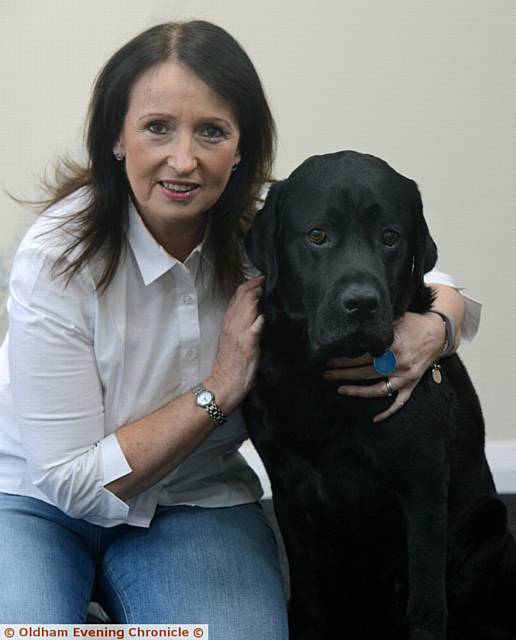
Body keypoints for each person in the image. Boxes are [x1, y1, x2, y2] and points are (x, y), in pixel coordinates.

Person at [0, 20, 479, 633]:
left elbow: (426, 270)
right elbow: (69, 481)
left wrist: (434, 326)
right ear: (116, 138)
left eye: (211, 131)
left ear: (241, 147)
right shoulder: (57, 255)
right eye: (157, 128)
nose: (184, 159)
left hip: (193, 504)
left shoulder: (270, 233)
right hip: (34, 506)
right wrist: (220, 390)